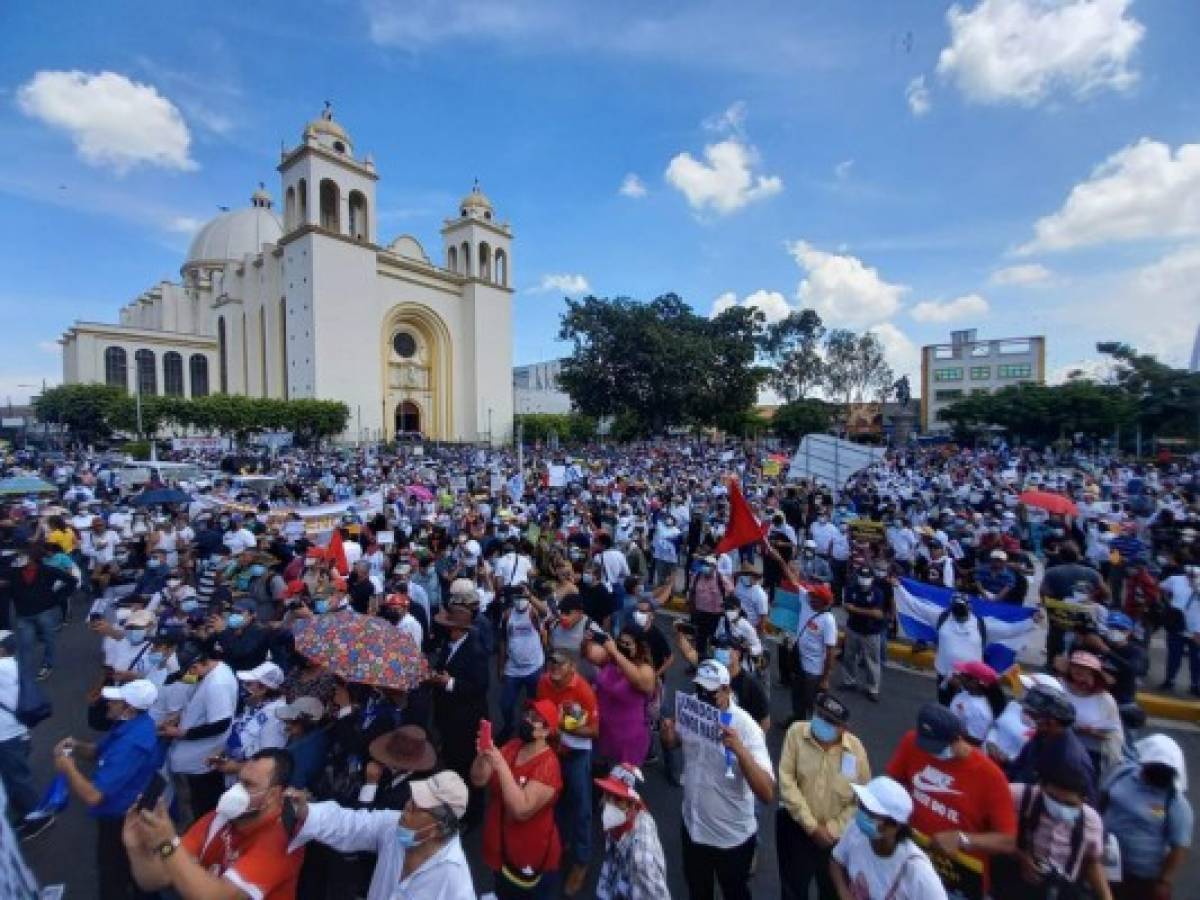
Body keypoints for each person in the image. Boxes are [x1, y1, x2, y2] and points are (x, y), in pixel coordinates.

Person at [123, 748, 304, 900]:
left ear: (273, 795)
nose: (236, 791)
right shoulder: (222, 817)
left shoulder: (282, 842)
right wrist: (136, 848)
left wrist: (167, 843)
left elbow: (214, 896)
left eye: (248, 785)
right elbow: (155, 879)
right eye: (239, 780)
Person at [660, 660, 774, 900]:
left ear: (726, 690)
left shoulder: (747, 728)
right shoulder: (691, 711)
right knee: (698, 892)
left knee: (735, 892)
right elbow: (674, 742)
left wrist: (741, 751)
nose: (702, 696)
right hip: (693, 828)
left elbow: (766, 792)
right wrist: (668, 734)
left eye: (709, 692)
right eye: (699, 689)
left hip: (731, 839)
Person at [886, 703, 1017, 893]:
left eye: (938, 748)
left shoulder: (991, 777)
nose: (931, 753)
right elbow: (892, 785)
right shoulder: (912, 742)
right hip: (911, 857)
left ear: (958, 739)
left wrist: (962, 839)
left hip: (956, 875)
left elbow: (1007, 841)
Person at [285, 770, 475, 900]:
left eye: (417, 807)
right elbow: (349, 823)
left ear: (438, 827)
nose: (406, 807)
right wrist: (305, 810)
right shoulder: (393, 825)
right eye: (411, 799)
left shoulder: (455, 879)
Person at [53, 679, 161, 900]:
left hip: (121, 819)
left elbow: (93, 796)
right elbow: (97, 751)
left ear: (128, 709)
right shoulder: (133, 724)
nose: (108, 704)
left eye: (114, 701)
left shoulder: (130, 744)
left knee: (113, 876)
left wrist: (69, 768)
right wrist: (76, 745)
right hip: (129, 811)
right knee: (134, 869)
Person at [776, 691, 871, 900]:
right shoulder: (796, 733)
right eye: (819, 715)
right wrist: (811, 827)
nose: (821, 722)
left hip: (835, 837)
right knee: (793, 889)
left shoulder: (856, 752)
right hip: (796, 826)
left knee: (831, 891)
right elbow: (786, 781)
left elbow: (862, 799)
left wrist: (832, 829)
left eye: (831, 721)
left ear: (844, 729)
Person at [471, 699, 563, 898]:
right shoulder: (514, 745)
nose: (528, 720)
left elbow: (521, 809)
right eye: (528, 715)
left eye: (535, 719)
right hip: (500, 843)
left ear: (546, 732)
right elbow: (478, 780)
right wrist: (483, 756)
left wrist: (500, 764)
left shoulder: (549, 765)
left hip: (528, 853)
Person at [992, 763, 1113, 900]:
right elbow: (989, 830)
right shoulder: (1019, 796)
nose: (1060, 807)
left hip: (1061, 890)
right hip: (1012, 886)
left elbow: (1092, 861)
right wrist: (1020, 856)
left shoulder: (1091, 821)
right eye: (1053, 799)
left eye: (1069, 804)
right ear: (1042, 787)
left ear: (1083, 801)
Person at [536, 650, 599, 896]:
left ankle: (581, 862)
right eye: (551, 661)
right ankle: (559, 844)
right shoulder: (543, 682)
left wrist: (563, 726)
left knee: (581, 807)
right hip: (553, 750)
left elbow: (594, 731)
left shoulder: (583, 690)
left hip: (576, 755)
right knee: (556, 801)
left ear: (572, 666)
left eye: (560, 663)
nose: (554, 666)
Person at [1102, 734, 1193, 900]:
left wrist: (1164, 881)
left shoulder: (1174, 802)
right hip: (1104, 864)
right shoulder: (1122, 774)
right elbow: (1102, 799)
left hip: (1140, 880)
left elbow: (1179, 847)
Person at [829, 775, 949, 900]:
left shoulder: (918, 870)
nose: (862, 814)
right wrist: (844, 893)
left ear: (895, 826)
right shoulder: (856, 829)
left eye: (871, 813)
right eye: (862, 806)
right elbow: (836, 860)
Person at [428, 604, 489, 824]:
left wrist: (450, 682)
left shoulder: (476, 651)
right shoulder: (449, 645)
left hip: (466, 720)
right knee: (453, 760)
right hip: (449, 716)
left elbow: (480, 687)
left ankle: (473, 814)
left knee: (468, 764)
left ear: (458, 630)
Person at [161, 648, 239, 821]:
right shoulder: (211, 669)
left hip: (199, 762)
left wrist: (181, 733)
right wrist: (178, 716)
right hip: (191, 754)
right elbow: (189, 680)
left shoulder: (218, 684)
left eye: (190, 671)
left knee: (198, 806)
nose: (188, 677)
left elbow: (221, 724)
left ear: (197, 665)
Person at [1009, 682, 1098, 806]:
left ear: (1052, 721)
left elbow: (1083, 804)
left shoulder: (1071, 761)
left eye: (1033, 714)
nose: (1027, 716)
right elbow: (1018, 766)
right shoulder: (1042, 736)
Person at [594, 763, 670, 900]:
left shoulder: (641, 862)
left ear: (634, 805)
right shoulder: (624, 821)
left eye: (618, 799)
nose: (608, 804)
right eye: (607, 794)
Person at [583, 627, 656, 768]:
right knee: (600, 777)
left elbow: (638, 681)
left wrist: (615, 652)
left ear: (639, 647)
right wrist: (591, 641)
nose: (623, 646)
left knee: (620, 785)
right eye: (620, 642)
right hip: (603, 731)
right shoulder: (612, 661)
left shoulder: (645, 670)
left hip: (627, 738)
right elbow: (592, 656)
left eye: (628, 644)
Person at [0, 630, 45, 838]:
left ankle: (37, 816)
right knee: (13, 779)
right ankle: (27, 814)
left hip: (8, 736)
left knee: (17, 779)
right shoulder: (11, 665)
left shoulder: (3, 667)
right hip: (15, 732)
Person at [9, 542, 75, 680]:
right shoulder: (14, 572)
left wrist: (57, 597)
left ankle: (47, 664)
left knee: (49, 639)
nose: (20, 558)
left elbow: (71, 580)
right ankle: (24, 671)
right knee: (25, 643)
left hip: (44, 612)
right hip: (23, 614)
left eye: (24, 556)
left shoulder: (47, 570)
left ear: (33, 557)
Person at [1061, 650, 1124, 776]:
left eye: (1084, 668)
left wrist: (1092, 732)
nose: (1079, 671)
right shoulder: (1059, 688)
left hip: (1091, 753)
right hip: (1060, 746)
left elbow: (1113, 735)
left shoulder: (1105, 700)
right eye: (1075, 666)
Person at [497, 589, 546, 742]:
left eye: (522, 597)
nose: (520, 600)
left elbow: (545, 611)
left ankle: (532, 732)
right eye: (517, 597)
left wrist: (530, 595)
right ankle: (508, 726)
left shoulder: (534, 612)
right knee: (505, 704)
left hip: (534, 668)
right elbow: (503, 642)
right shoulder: (507, 615)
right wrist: (500, 666)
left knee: (534, 705)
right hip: (513, 669)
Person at [840, 565, 893, 702]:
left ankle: (872, 688)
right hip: (853, 629)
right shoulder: (851, 589)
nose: (864, 580)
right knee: (849, 657)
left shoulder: (877, 593)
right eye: (862, 577)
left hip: (871, 632)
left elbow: (878, 614)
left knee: (872, 661)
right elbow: (846, 606)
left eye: (867, 577)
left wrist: (856, 609)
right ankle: (849, 681)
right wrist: (864, 611)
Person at [790, 583, 838, 724]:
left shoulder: (828, 621)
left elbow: (830, 652)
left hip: (813, 671)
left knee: (812, 702)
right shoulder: (810, 607)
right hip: (800, 664)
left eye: (814, 598)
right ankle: (796, 720)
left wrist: (825, 679)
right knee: (797, 695)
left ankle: (812, 729)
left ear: (822, 602)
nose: (810, 599)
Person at [1157, 565, 1199, 697]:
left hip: (1197, 631)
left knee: (1196, 659)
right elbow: (1159, 587)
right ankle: (1169, 680)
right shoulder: (1175, 579)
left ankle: (1195, 685)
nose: (1191, 576)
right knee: (1173, 656)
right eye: (1190, 574)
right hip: (1177, 626)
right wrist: (1166, 604)